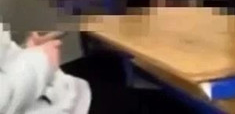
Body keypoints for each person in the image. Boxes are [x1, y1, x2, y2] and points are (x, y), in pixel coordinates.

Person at [0, 27, 152, 113]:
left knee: (108, 61)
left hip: (45, 88)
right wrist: (40, 60)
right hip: (53, 103)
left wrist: (25, 53)